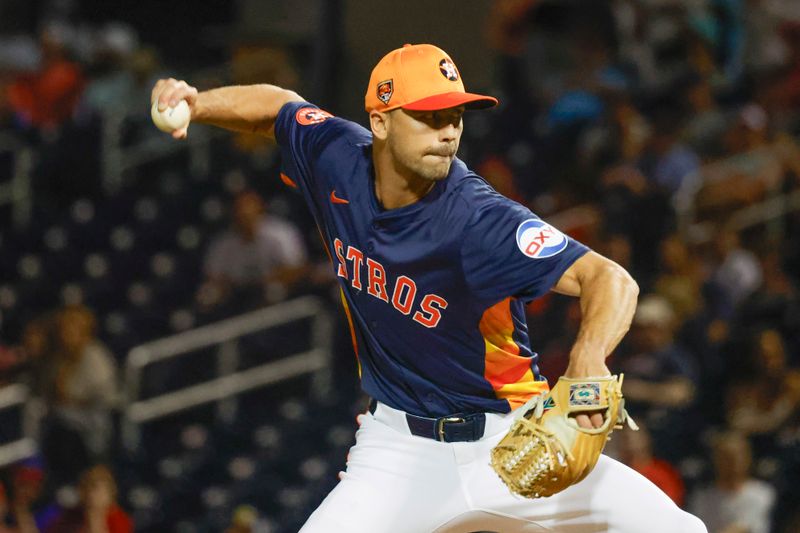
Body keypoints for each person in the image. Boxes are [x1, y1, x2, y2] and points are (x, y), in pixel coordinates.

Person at [152, 43, 705, 532]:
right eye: (429, 116)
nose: (449, 132)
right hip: (398, 450)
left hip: (507, 438)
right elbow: (276, 107)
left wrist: (587, 355)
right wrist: (198, 104)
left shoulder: (478, 219)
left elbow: (609, 277)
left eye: (457, 116)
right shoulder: (337, 158)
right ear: (382, 121)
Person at [196, 189, 309, 311]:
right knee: (208, 296)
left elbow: (298, 269)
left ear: (260, 208)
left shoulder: (281, 233)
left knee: (274, 291)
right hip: (236, 295)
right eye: (239, 209)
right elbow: (213, 278)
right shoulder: (223, 244)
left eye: (248, 208)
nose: (244, 214)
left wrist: (266, 279)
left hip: (275, 290)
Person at [689, 431, 776, 533]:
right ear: (716, 460)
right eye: (726, 458)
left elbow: (742, 528)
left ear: (748, 458)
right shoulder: (702, 498)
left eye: (737, 456)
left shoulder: (761, 494)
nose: (733, 463)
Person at [43, 465, 133, 533]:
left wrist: (96, 519)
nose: (93, 495)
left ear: (110, 495)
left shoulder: (119, 521)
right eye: (89, 489)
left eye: (99, 491)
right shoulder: (69, 517)